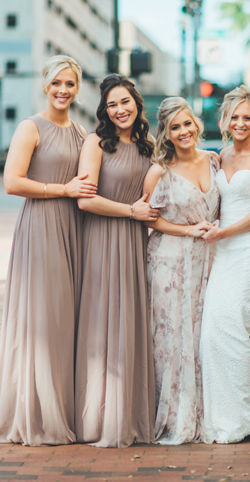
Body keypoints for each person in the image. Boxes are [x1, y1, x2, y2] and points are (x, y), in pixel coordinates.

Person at [0, 55, 95, 446]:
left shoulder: (81, 132)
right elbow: (12, 182)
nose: (63, 90)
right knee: (44, 319)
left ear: (78, 88)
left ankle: (61, 407)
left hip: (74, 229)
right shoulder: (30, 127)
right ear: (45, 85)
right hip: (42, 227)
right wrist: (62, 189)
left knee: (67, 319)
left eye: (70, 84)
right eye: (57, 83)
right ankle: (36, 413)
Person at [74, 75, 158, 447]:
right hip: (102, 239)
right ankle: (98, 417)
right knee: (101, 322)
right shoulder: (95, 143)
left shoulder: (148, 146)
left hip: (136, 244)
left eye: (125, 102)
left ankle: (129, 413)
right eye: (112, 104)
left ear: (137, 104)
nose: (120, 110)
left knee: (130, 321)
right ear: (104, 110)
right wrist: (130, 211)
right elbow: (85, 200)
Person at [199, 86, 250, 444]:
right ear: (225, 120)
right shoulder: (221, 155)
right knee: (211, 329)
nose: (241, 123)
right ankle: (217, 417)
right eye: (235, 117)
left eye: (247, 117)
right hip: (223, 249)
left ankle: (241, 419)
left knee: (233, 325)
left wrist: (224, 232)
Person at [142, 97, 220, 445]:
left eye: (187, 123)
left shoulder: (214, 160)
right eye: (175, 127)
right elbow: (149, 218)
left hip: (209, 259)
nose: (184, 131)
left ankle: (208, 411)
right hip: (170, 262)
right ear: (166, 133)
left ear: (196, 124)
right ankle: (175, 415)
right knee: (172, 337)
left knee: (203, 333)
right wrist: (188, 230)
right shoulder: (160, 170)